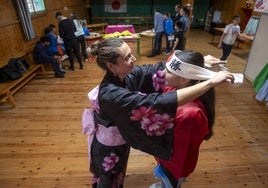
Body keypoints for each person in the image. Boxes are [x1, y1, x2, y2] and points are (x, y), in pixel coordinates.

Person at [82, 38, 234, 187]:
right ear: (111, 65)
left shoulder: (125, 76)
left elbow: (152, 71)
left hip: (120, 139)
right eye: (127, 57)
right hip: (109, 145)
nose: (133, 58)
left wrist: (195, 66)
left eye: (131, 53)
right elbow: (155, 104)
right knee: (108, 178)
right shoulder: (109, 94)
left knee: (118, 175)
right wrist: (210, 82)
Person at [151, 50, 217, 188]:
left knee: (171, 184)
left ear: (184, 79)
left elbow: (179, 153)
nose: (163, 72)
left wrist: (170, 173)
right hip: (165, 156)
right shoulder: (174, 89)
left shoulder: (191, 114)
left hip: (175, 165)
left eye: (169, 71)